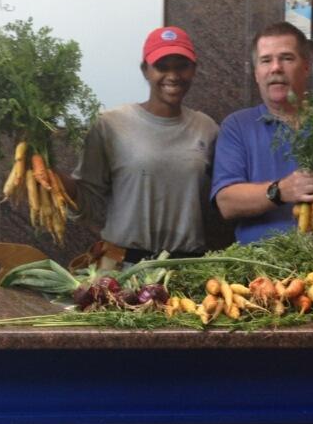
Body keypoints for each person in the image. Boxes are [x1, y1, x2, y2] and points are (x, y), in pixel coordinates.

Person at [212, 21, 313, 267]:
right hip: (260, 275)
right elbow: (226, 202)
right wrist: (281, 191)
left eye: (286, 58)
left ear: (305, 66)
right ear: (256, 74)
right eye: (266, 60)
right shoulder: (238, 126)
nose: (276, 68)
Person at [62, 26, 218, 266]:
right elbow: (87, 199)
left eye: (181, 66)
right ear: (145, 70)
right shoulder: (111, 125)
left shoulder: (207, 129)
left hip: (186, 271)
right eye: (162, 66)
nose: (173, 75)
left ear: (194, 70)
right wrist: (48, 175)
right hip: (122, 269)